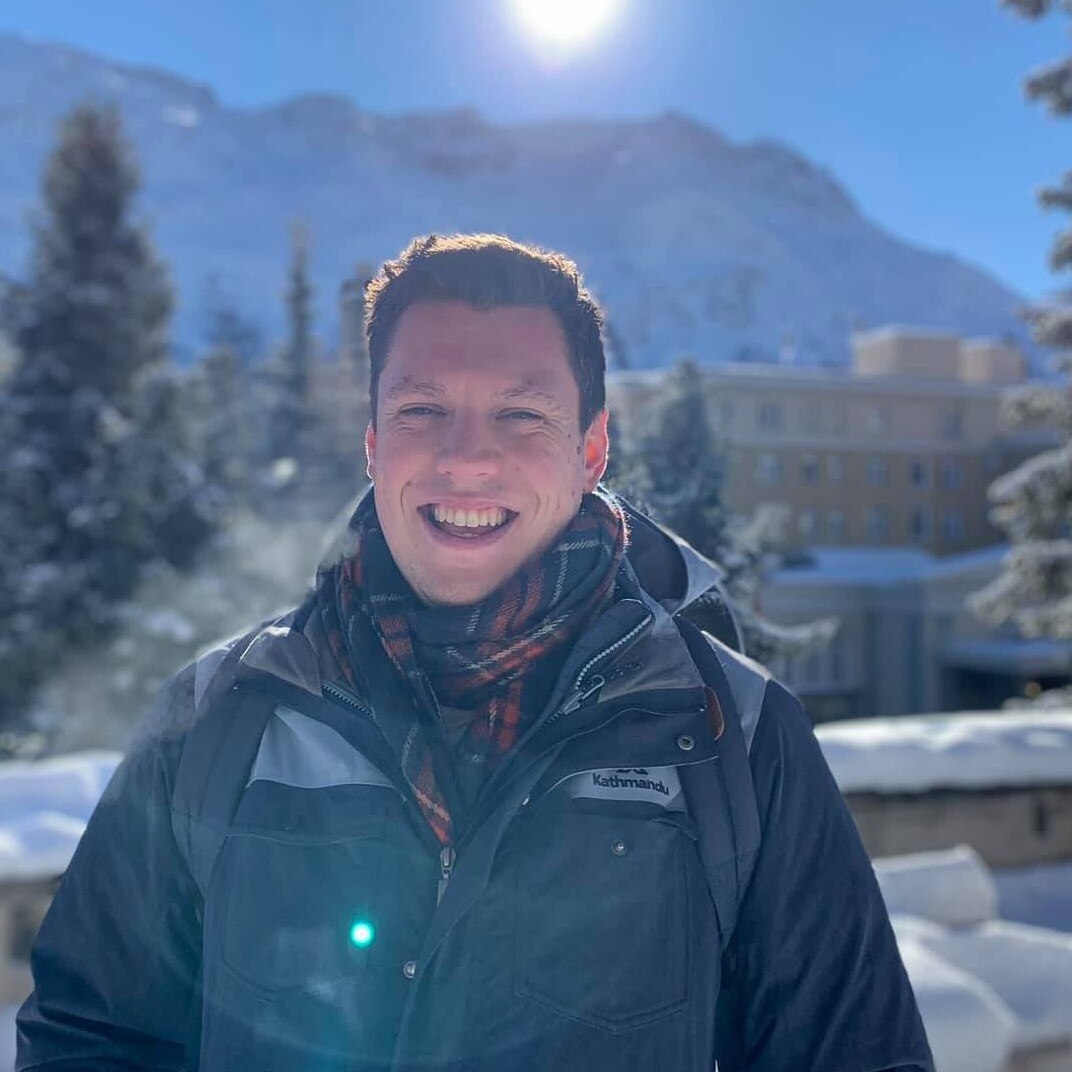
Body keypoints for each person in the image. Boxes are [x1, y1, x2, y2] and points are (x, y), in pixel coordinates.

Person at [17, 233, 934, 1072]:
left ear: (592, 448)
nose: (466, 460)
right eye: (422, 410)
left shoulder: (732, 733)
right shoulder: (220, 714)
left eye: (519, 416)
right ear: (373, 443)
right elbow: (95, 1036)